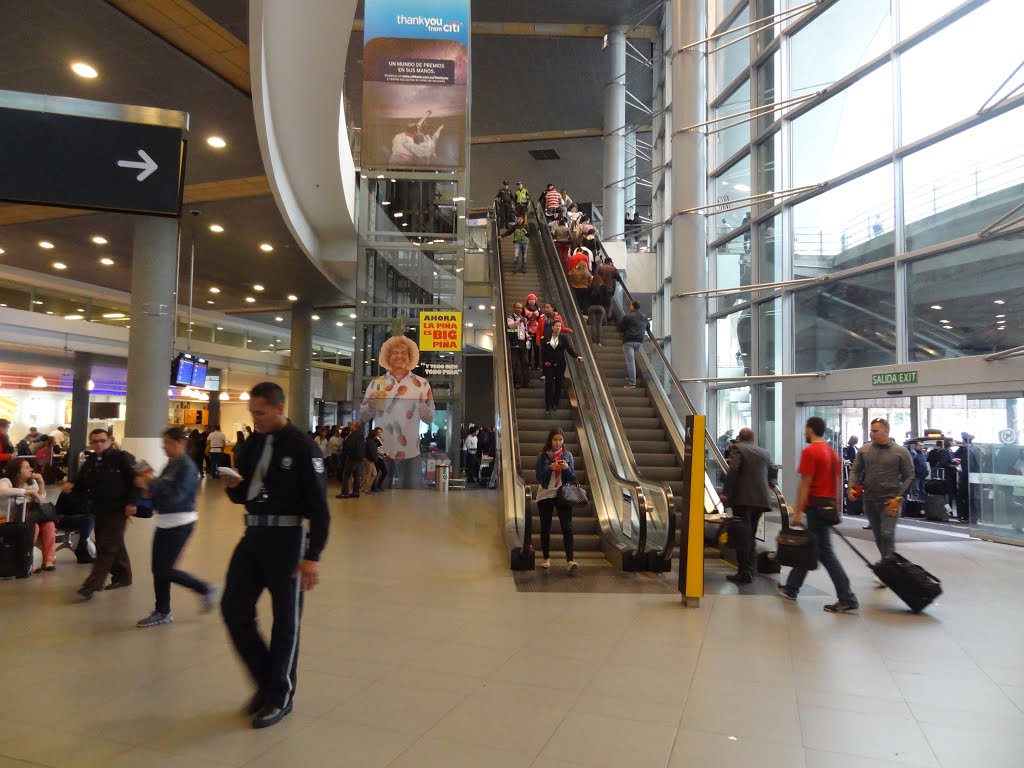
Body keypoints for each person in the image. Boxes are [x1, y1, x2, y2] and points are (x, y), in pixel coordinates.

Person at [219, 382, 330, 729]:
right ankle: (267, 681)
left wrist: (313, 555)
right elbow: (249, 493)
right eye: (253, 413)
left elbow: (320, 508)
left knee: (286, 621)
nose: (256, 418)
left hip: (288, 540)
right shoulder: (252, 444)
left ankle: (279, 695)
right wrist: (236, 489)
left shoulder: (302, 447)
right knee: (233, 608)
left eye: (261, 413)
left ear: (280, 409)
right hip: (253, 535)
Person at [132, 427, 217, 628]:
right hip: (165, 522)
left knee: (165, 569)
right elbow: (162, 491)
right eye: (163, 443)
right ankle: (163, 610)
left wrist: (151, 484)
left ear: (180, 443)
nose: (164, 447)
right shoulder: (172, 464)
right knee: (158, 569)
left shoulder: (187, 467)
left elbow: (175, 497)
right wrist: (147, 489)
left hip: (180, 522)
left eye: (168, 443)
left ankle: (203, 589)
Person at [778, 417, 859, 612]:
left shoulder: (810, 452)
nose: (805, 432)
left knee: (825, 553)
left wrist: (798, 512)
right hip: (827, 506)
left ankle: (847, 597)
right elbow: (837, 481)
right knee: (811, 547)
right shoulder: (832, 453)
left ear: (810, 429)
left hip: (815, 508)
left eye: (806, 429)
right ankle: (792, 587)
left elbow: (805, 483)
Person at [64, 429, 137, 599]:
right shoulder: (91, 460)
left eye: (102, 441)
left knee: (106, 546)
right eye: (94, 441)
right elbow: (81, 479)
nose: (98, 444)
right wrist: (72, 485)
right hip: (99, 508)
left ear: (110, 441)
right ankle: (124, 576)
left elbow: (135, 480)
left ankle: (92, 585)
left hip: (118, 508)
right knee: (114, 542)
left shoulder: (122, 457)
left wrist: (132, 502)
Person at [359, 336, 435, 488]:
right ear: (387, 356)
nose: (399, 356)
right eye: (395, 352)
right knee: (379, 496)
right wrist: (371, 405)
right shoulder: (377, 383)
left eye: (404, 352)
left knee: (413, 496)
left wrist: (421, 404)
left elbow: (429, 418)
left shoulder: (422, 384)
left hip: (411, 452)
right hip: (383, 451)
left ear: (410, 357)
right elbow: (364, 416)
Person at [848, 417, 913, 561]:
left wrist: (899, 498)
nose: (872, 434)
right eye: (871, 431)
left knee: (887, 534)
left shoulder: (900, 452)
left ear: (886, 431)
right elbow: (855, 470)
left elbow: (910, 476)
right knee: (878, 536)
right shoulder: (864, 450)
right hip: (870, 500)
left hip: (890, 501)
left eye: (875, 431)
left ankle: (890, 568)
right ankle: (888, 564)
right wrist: (852, 487)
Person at [720, 428, 775, 583]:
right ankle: (750, 569)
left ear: (739, 438)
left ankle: (744, 572)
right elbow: (773, 471)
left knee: (741, 535)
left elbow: (733, 469)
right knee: (750, 535)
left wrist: (726, 492)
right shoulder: (764, 452)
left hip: (743, 499)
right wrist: (770, 485)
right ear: (754, 439)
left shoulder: (737, 448)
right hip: (761, 500)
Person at [534, 428, 579, 574]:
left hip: (563, 494)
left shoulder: (568, 455)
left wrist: (566, 469)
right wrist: (550, 468)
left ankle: (570, 561)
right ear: (550, 440)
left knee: (568, 528)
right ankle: (546, 559)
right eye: (555, 439)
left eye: (560, 439)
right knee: (545, 528)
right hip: (546, 494)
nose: (558, 442)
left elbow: (573, 477)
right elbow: (539, 478)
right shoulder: (543, 456)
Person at [1, 458, 57, 572]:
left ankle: (48, 560)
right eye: (27, 468)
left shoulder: (31, 484)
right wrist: (27, 492)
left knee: (49, 524)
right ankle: (26, 559)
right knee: (33, 527)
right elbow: (3, 491)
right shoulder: (5, 481)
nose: (31, 470)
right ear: (17, 472)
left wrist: (41, 484)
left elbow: (40, 503)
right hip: (6, 520)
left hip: (27, 518)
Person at [541, 319, 583, 416]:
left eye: (560, 326)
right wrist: (544, 362)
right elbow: (543, 351)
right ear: (552, 327)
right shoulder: (546, 338)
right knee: (549, 383)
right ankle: (548, 404)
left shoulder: (563, 338)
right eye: (556, 326)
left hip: (560, 364)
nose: (558, 328)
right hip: (549, 365)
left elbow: (569, 349)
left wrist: (576, 356)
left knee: (558, 383)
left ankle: (555, 403)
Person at [619, 300, 648, 388]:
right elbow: (648, 328)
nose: (629, 307)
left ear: (632, 306)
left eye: (630, 305)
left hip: (629, 342)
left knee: (630, 362)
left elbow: (620, 328)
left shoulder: (628, 316)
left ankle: (632, 383)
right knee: (631, 361)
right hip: (639, 342)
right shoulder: (644, 317)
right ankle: (630, 376)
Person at [337, 422, 366, 499]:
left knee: (346, 475)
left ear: (356, 427)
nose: (351, 426)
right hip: (359, 458)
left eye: (352, 425)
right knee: (356, 475)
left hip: (352, 458)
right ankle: (356, 492)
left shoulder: (354, 435)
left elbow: (350, 445)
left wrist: (347, 453)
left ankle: (345, 493)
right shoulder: (361, 435)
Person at [506, 301, 530, 388]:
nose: (520, 309)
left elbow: (525, 330)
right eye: (518, 307)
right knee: (515, 363)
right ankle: (517, 382)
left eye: (521, 308)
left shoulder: (524, 319)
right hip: (514, 343)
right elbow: (511, 326)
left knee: (525, 362)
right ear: (514, 308)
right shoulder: (510, 318)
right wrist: (520, 321)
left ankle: (526, 381)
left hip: (523, 342)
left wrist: (528, 335)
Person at [585, 274, 612, 346]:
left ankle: (593, 342)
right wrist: (605, 307)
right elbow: (607, 300)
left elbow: (586, 300)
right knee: (599, 325)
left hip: (591, 307)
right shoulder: (604, 287)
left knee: (593, 325)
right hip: (601, 307)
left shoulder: (590, 287)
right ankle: (599, 342)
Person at [523, 294, 543, 370]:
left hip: (537, 331)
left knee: (537, 348)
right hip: (528, 331)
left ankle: (537, 365)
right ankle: (528, 365)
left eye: (533, 299)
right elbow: (523, 319)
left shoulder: (539, 309)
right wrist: (528, 317)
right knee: (528, 348)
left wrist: (537, 316)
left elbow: (541, 320)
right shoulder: (524, 309)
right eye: (530, 299)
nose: (532, 301)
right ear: (527, 301)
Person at [367, 427, 389, 492]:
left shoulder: (379, 439)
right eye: (379, 432)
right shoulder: (375, 440)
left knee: (381, 472)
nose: (380, 433)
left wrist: (384, 453)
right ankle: (374, 487)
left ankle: (377, 486)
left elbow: (380, 449)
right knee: (377, 473)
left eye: (381, 432)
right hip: (378, 459)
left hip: (380, 458)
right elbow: (376, 450)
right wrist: (384, 454)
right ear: (376, 433)